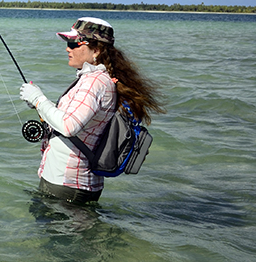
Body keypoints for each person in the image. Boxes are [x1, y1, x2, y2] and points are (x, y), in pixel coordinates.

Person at [18, 17, 163, 204]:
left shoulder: (94, 82)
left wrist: (38, 99)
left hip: (68, 186)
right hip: (68, 183)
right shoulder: (95, 79)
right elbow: (72, 119)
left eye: (74, 43)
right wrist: (39, 105)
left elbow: (69, 126)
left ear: (97, 49)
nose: (67, 48)